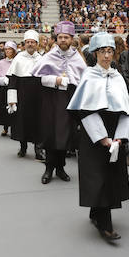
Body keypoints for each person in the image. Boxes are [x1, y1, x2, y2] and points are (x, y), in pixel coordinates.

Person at [67, 32, 129, 241]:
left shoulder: (118, 77)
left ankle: (98, 212)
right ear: (94, 54)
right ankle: (106, 224)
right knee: (98, 175)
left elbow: (125, 109)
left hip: (115, 132)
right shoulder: (88, 76)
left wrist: (120, 136)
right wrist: (102, 137)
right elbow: (84, 110)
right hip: (94, 133)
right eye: (102, 52)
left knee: (111, 175)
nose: (106, 56)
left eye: (109, 51)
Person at [32, 21, 87, 184]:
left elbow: (83, 79)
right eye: (60, 37)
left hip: (69, 99)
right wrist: (56, 80)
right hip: (51, 99)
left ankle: (61, 167)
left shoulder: (77, 57)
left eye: (66, 37)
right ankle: (49, 168)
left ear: (71, 39)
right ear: (56, 39)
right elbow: (39, 78)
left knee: (65, 134)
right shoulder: (49, 56)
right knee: (50, 133)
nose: (63, 40)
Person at [7, 30, 44, 160]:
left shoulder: (41, 59)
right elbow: (12, 81)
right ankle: (23, 148)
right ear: (24, 44)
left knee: (38, 124)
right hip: (22, 97)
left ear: (36, 44)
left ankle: (38, 150)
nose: (30, 44)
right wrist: (12, 100)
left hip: (38, 98)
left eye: (32, 42)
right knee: (22, 123)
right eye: (28, 42)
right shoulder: (18, 59)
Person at [0, 41, 18, 136]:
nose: (7, 51)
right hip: (4, 88)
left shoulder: (17, 61)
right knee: (3, 107)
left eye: (10, 49)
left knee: (14, 108)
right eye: (6, 49)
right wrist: (1, 80)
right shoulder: (1, 62)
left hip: (14, 87)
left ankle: (14, 128)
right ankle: (5, 127)